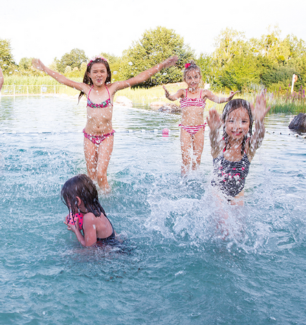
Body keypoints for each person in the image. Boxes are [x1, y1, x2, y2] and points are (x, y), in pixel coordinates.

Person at [33, 55, 178, 192]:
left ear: (107, 74)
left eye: (102, 71)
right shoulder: (86, 89)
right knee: (91, 177)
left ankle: (107, 205)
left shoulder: (112, 89)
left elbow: (139, 78)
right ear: (89, 74)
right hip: (89, 137)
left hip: (106, 137)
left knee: (101, 175)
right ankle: (93, 204)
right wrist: (44, 68)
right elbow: (63, 80)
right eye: (95, 71)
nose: (98, 74)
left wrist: (163, 65)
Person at [163, 61, 237, 175]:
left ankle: (195, 181)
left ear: (200, 78)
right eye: (189, 78)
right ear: (185, 79)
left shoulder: (204, 93)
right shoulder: (183, 92)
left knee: (197, 159)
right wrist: (168, 95)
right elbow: (172, 98)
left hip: (199, 129)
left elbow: (217, 99)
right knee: (186, 159)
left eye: (196, 77)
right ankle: (183, 181)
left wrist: (228, 98)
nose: (193, 80)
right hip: (185, 129)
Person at [206, 91, 271, 205]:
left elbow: (259, 138)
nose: (237, 126)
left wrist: (260, 121)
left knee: (239, 220)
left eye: (244, 121)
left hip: (238, 193)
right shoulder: (221, 146)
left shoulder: (248, 148)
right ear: (223, 122)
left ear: (250, 123)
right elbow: (213, 142)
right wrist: (213, 130)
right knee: (223, 217)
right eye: (231, 121)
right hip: (217, 193)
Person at [61, 174, 118, 247]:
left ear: (77, 201)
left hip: (112, 252)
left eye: (68, 202)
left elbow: (89, 249)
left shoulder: (88, 218)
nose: (68, 206)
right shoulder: (96, 209)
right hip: (114, 245)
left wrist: (76, 230)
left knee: (68, 254)